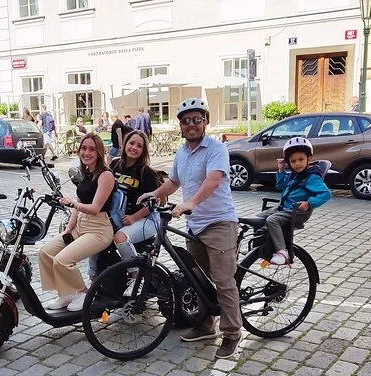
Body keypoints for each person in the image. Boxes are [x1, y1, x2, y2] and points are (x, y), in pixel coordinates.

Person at [137, 98, 242, 359]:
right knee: (198, 279)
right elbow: (174, 181)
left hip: (219, 222)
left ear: (205, 121)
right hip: (195, 226)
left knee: (223, 281)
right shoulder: (182, 153)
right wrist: (155, 193)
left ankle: (232, 333)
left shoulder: (216, 149)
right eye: (186, 121)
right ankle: (206, 325)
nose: (191, 124)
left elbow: (213, 181)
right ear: (180, 125)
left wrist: (189, 204)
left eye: (197, 119)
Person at [39, 134, 114, 312]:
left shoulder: (105, 175)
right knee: (45, 253)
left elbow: (95, 208)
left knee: (62, 260)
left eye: (92, 149)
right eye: (83, 148)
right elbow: (79, 204)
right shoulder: (86, 172)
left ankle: (83, 293)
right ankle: (65, 293)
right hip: (80, 225)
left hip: (98, 229)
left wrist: (74, 203)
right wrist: (69, 227)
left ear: (99, 152)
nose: (86, 152)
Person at [88, 130, 160, 293]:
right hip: (118, 217)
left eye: (139, 146)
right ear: (125, 143)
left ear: (143, 150)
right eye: (131, 143)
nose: (134, 148)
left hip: (146, 219)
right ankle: (93, 280)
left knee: (120, 238)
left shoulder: (146, 172)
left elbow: (153, 203)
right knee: (96, 236)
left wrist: (134, 217)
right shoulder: (114, 164)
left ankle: (136, 278)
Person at [256, 137, 331, 265]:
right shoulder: (294, 175)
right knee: (258, 218)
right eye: (293, 161)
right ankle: (259, 245)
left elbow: (325, 194)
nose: (297, 164)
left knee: (272, 220)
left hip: (298, 212)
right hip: (285, 208)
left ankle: (282, 252)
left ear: (309, 159)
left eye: (301, 160)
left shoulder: (311, 177)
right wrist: (281, 170)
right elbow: (280, 186)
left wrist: (309, 203)